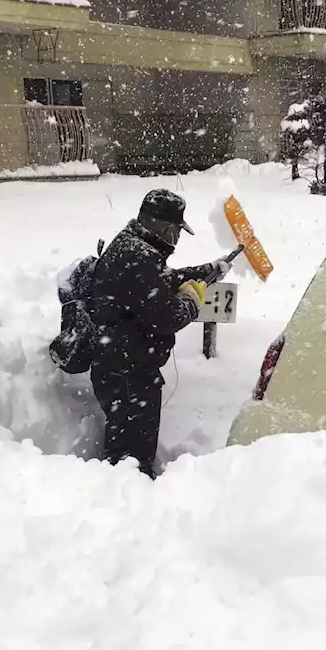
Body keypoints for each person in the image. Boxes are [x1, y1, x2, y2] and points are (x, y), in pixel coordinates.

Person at [87, 189, 232, 478]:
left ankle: (122, 493)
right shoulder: (140, 258)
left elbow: (162, 281)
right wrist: (192, 301)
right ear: (166, 229)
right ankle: (132, 501)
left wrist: (208, 270)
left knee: (122, 449)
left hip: (119, 366)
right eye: (178, 232)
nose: (177, 240)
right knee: (132, 458)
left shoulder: (133, 247)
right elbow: (165, 317)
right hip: (129, 374)